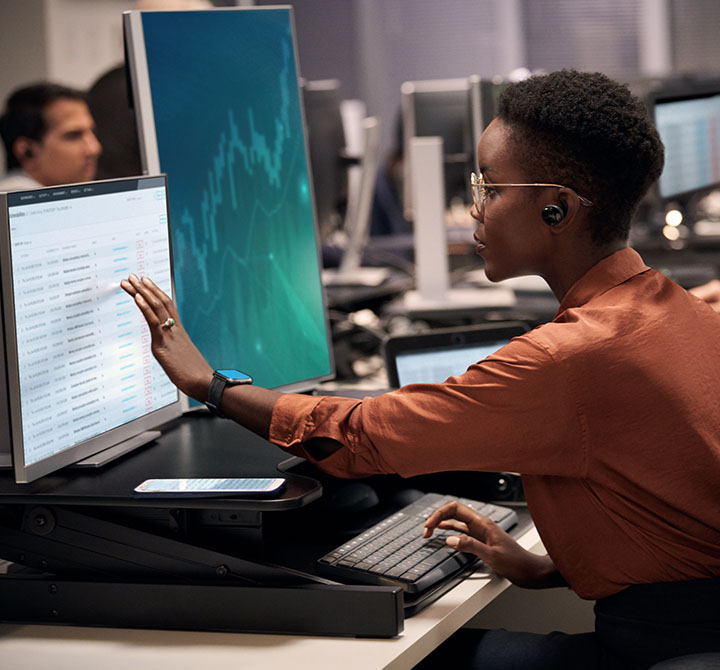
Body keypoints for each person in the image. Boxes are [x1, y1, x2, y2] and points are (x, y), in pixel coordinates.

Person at [121, 70, 720, 669]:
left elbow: (361, 439)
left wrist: (210, 384)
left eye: (491, 188)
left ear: (556, 209)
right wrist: (545, 568)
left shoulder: (570, 357)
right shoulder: (682, 309)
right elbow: (676, 508)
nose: (476, 210)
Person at [0, 82, 102, 191]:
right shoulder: (14, 201)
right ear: (27, 152)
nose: (94, 149)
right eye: (73, 136)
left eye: (92, 133)